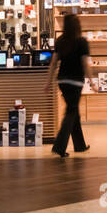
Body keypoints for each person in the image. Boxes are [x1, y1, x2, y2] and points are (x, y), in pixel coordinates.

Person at [45, 12, 91, 158]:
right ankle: (59, 147)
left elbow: (53, 64)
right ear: (77, 25)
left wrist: (48, 82)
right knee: (71, 112)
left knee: (73, 111)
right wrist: (92, 80)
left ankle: (80, 145)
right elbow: (85, 64)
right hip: (76, 81)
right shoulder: (82, 41)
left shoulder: (60, 41)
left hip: (62, 81)